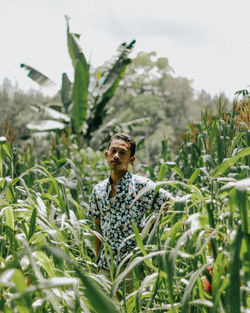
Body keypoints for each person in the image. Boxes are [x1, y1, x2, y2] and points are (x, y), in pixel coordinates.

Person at [88, 133, 173, 277]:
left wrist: (150, 227)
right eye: (113, 151)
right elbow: (97, 227)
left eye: (122, 153)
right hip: (105, 266)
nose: (116, 156)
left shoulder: (141, 186)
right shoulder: (98, 189)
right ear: (106, 154)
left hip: (132, 266)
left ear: (131, 160)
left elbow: (171, 204)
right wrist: (97, 260)